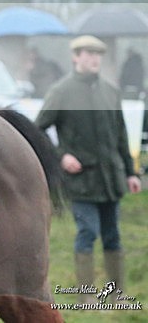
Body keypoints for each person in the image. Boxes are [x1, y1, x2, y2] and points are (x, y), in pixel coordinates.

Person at [35, 35, 142, 300]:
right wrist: (61, 157)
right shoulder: (61, 91)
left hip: (111, 179)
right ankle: (86, 295)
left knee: (113, 236)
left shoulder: (110, 91)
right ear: (76, 57)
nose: (94, 59)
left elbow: (120, 134)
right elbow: (38, 130)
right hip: (81, 181)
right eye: (88, 53)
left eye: (97, 54)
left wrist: (131, 173)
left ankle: (117, 293)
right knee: (88, 233)